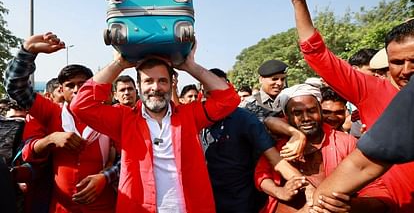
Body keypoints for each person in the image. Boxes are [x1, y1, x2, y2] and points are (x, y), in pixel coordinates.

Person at [70, 42, 241, 212]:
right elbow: (80, 105)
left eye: (162, 81)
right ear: (139, 86)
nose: (155, 87)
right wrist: (119, 64)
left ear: (171, 83)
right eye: (148, 81)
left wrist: (190, 66)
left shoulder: (190, 115)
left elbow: (229, 99)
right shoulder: (124, 119)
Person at [291, 0, 414, 212]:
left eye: (413, 61)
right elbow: (318, 55)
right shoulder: (372, 90)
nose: (406, 70)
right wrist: (298, 1)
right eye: (397, 62)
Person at [5, 32, 116, 213]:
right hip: (60, 208)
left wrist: (105, 177)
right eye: (70, 85)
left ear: (92, 87)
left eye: (83, 84)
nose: (77, 89)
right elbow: (16, 87)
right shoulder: (51, 112)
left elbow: (127, 160)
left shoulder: (111, 115)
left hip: (105, 206)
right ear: (61, 90)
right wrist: (27, 52)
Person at [255, 84, 393, 213]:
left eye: (312, 110)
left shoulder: (346, 143)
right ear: (287, 117)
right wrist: (280, 192)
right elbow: (261, 176)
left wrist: (348, 205)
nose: (306, 118)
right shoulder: (279, 145)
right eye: (297, 113)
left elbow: (377, 192)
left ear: (320, 111)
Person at [202, 68, 302, 213]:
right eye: (210, 92)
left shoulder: (245, 119)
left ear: (228, 88)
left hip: (240, 202)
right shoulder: (199, 120)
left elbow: (275, 159)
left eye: (220, 91)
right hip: (208, 201)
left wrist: (304, 187)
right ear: (204, 94)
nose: (216, 97)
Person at [313, 75, 414, 212]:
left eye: (338, 112)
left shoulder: (351, 143)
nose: (332, 117)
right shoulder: (289, 144)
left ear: (346, 112)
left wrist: (351, 205)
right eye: (326, 112)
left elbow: (375, 187)